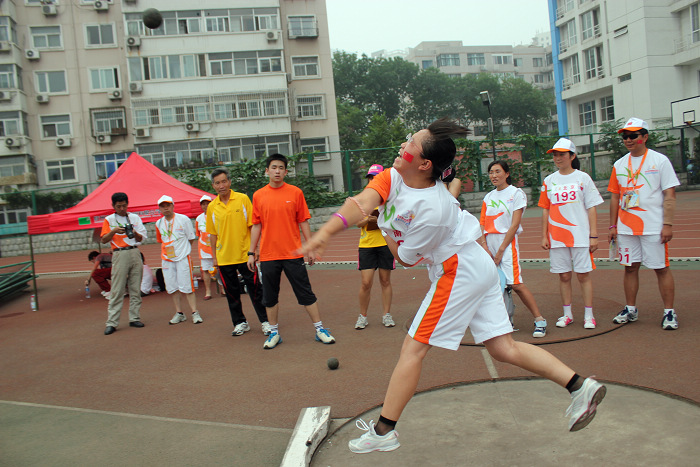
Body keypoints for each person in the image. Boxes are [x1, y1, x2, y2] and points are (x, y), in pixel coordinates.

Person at [298, 120, 606, 454]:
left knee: (413, 349)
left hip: (459, 269)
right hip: (475, 264)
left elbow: (406, 258)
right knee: (504, 349)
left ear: (426, 163)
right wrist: (326, 232)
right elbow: (361, 201)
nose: (403, 146)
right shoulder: (395, 174)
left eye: (410, 144)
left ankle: (384, 430)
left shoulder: (435, 209)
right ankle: (579, 386)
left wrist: (382, 225)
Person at [247, 154, 335, 349]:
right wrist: (251, 252)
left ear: (286, 172)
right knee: (269, 297)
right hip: (269, 256)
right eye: (273, 167)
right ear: (267, 171)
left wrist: (310, 247)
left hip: (293, 254)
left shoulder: (295, 193)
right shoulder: (258, 195)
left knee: (305, 293)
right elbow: (256, 225)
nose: (277, 171)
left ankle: (320, 329)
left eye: (280, 168)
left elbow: (303, 220)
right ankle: (274, 333)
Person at [608, 118, 680, 330]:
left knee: (661, 269)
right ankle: (630, 309)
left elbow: (670, 194)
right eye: (625, 136)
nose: (628, 140)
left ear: (644, 137)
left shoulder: (660, 161)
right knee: (630, 268)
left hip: (653, 226)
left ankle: (669, 312)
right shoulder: (619, 164)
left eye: (633, 136)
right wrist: (613, 227)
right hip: (626, 228)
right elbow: (614, 197)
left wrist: (667, 223)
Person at [539, 138, 603, 329]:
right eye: (555, 155)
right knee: (564, 276)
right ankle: (567, 314)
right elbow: (545, 209)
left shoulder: (583, 178)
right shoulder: (549, 181)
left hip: (580, 236)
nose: (558, 158)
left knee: (583, 275)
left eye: (562, 154)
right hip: (557, 236)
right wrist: (544, 235)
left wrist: (593, 235)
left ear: (572, 156)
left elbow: (591, 207)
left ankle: (589, 316)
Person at [480, 160, 547, 337]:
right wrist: (485, 246)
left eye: (497, 171)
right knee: (496, 285)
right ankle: (504, 321)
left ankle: (539, 320)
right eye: (491, 172)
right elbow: (482, 223)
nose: (493, 175)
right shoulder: (488, 197)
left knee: (515, 284)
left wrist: (501, 249)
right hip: (490, 243)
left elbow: (514, 224)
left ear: (507, 174)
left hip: (507, 243)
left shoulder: (516, 194)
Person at [206, 168, 270, 336]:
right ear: (213, 186)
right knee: (231, 293)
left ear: (230, 182)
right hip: (224, 257)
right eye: (217, 183)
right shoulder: (212, 207)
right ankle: (240, 322)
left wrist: (254, 250)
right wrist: (214, 257)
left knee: (256, 289)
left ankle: (265, 321)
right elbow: (212, 234)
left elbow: (253, 225)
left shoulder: (242, 199)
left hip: (245, 255)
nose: (221, 185)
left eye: (224, 181)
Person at [355, 164, 396, 330]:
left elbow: (395, 221)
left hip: (386, 243)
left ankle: (386, 315)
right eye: (370, 177)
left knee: (385, 281)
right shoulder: (362, 198)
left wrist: (381, 221)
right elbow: (357, 222)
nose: (372, 180)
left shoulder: (391, 197)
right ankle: (362, 316)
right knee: (366, 283)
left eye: (376, 177)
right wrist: (368, 220)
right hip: (366, 245)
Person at [100, 192, 147, 335]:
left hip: (134, 251)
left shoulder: (134, 217)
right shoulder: (109, 220)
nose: (122, 208)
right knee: (117, 288)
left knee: (135, 286)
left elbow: (142, 237)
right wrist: (114, 231)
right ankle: (112, 322)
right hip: (119, 253)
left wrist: (133, 232)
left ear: (128, 204)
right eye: (119, 206)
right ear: (113, 206)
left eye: (124, 205)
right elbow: (103, 240)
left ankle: (134, 317)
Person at [155, 195, 202, 325]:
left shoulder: (183, 219)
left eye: (168, 205)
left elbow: (191, 237)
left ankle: (194, 312)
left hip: (182, 258)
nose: (166, 209)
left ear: (173, 206)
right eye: (163, 206)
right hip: (167, 259)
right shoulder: (158, 223)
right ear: (159, 208)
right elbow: (161, 240)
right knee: (172, 287)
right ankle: (179, 313)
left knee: (187, 285)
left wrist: (183, 250)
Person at [195, 195, 217, 300]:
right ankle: (208, 291)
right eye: (203, 204)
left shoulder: (216, 215)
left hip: (217, 247)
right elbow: (198, 234)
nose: (206, 206)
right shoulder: (198, 218)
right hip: (204, 248)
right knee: (206, 270)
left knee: (219, 268)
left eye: (207, 203)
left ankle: (222, 288)